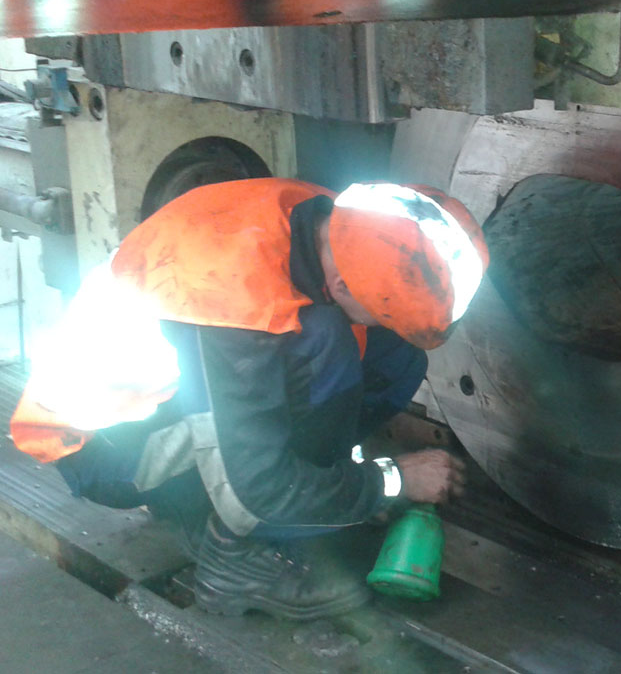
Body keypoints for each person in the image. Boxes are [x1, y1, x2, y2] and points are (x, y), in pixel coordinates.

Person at [8, 177, 488, 620]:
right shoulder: (233, 302)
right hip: (106, 448)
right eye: (379, 311)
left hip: (178, 399)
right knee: (325, 339)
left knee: (396, 355)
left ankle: (312, 495)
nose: (380, 322)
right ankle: (233, 558)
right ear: (342, 285)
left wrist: (350, 490)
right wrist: (390, 482)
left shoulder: (336, 221)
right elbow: (258, 490)